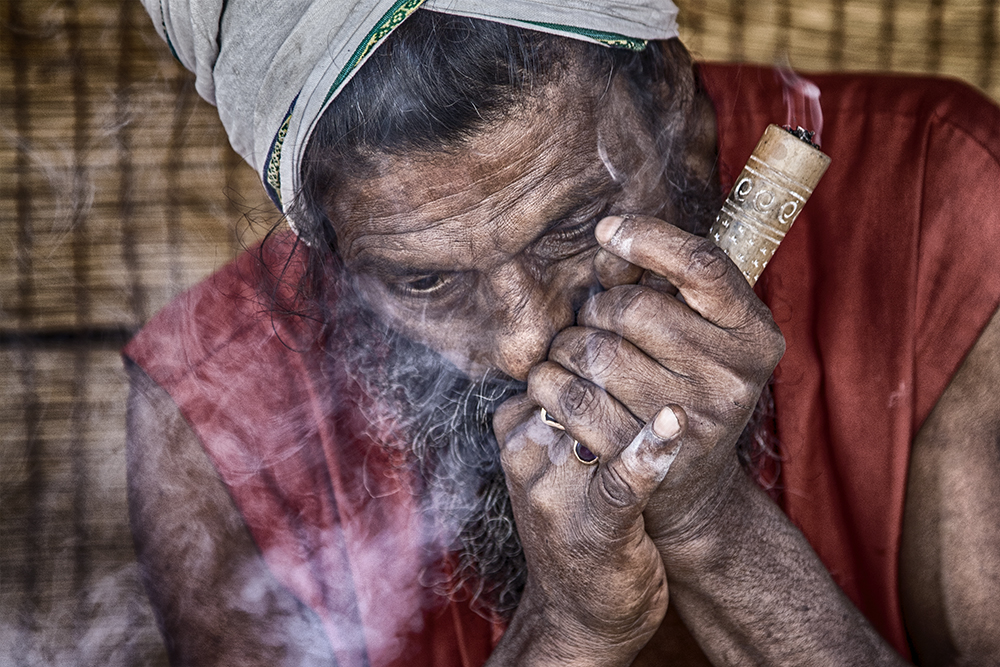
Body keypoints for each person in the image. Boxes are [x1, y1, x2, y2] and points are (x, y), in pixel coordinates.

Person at [124, 1, 1000, 665]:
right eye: (423, 278)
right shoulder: (213, 414)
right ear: (317, 241)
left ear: (667, 91)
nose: (524, 341)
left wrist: (712, 524)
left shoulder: (941, 203)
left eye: (575, 227)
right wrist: (569, 631)